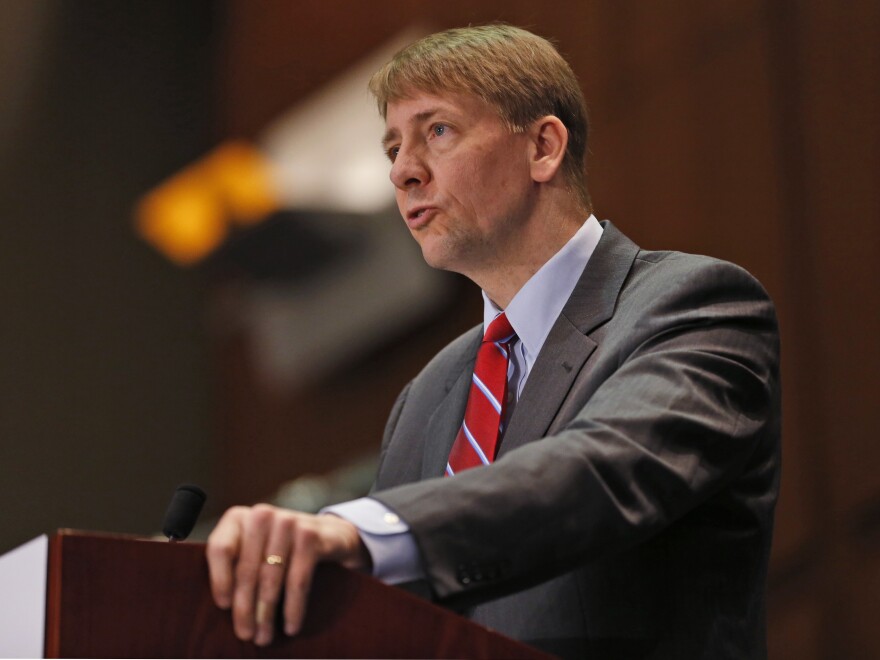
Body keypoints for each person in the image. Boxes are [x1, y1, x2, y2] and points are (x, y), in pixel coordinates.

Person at [206, 24, 780, 659]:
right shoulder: (427, 397)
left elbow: (598, 473)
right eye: (393, 147)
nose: (402, 172)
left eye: (437, 131)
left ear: (542, 146)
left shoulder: (693, 304)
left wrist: (359, 530)